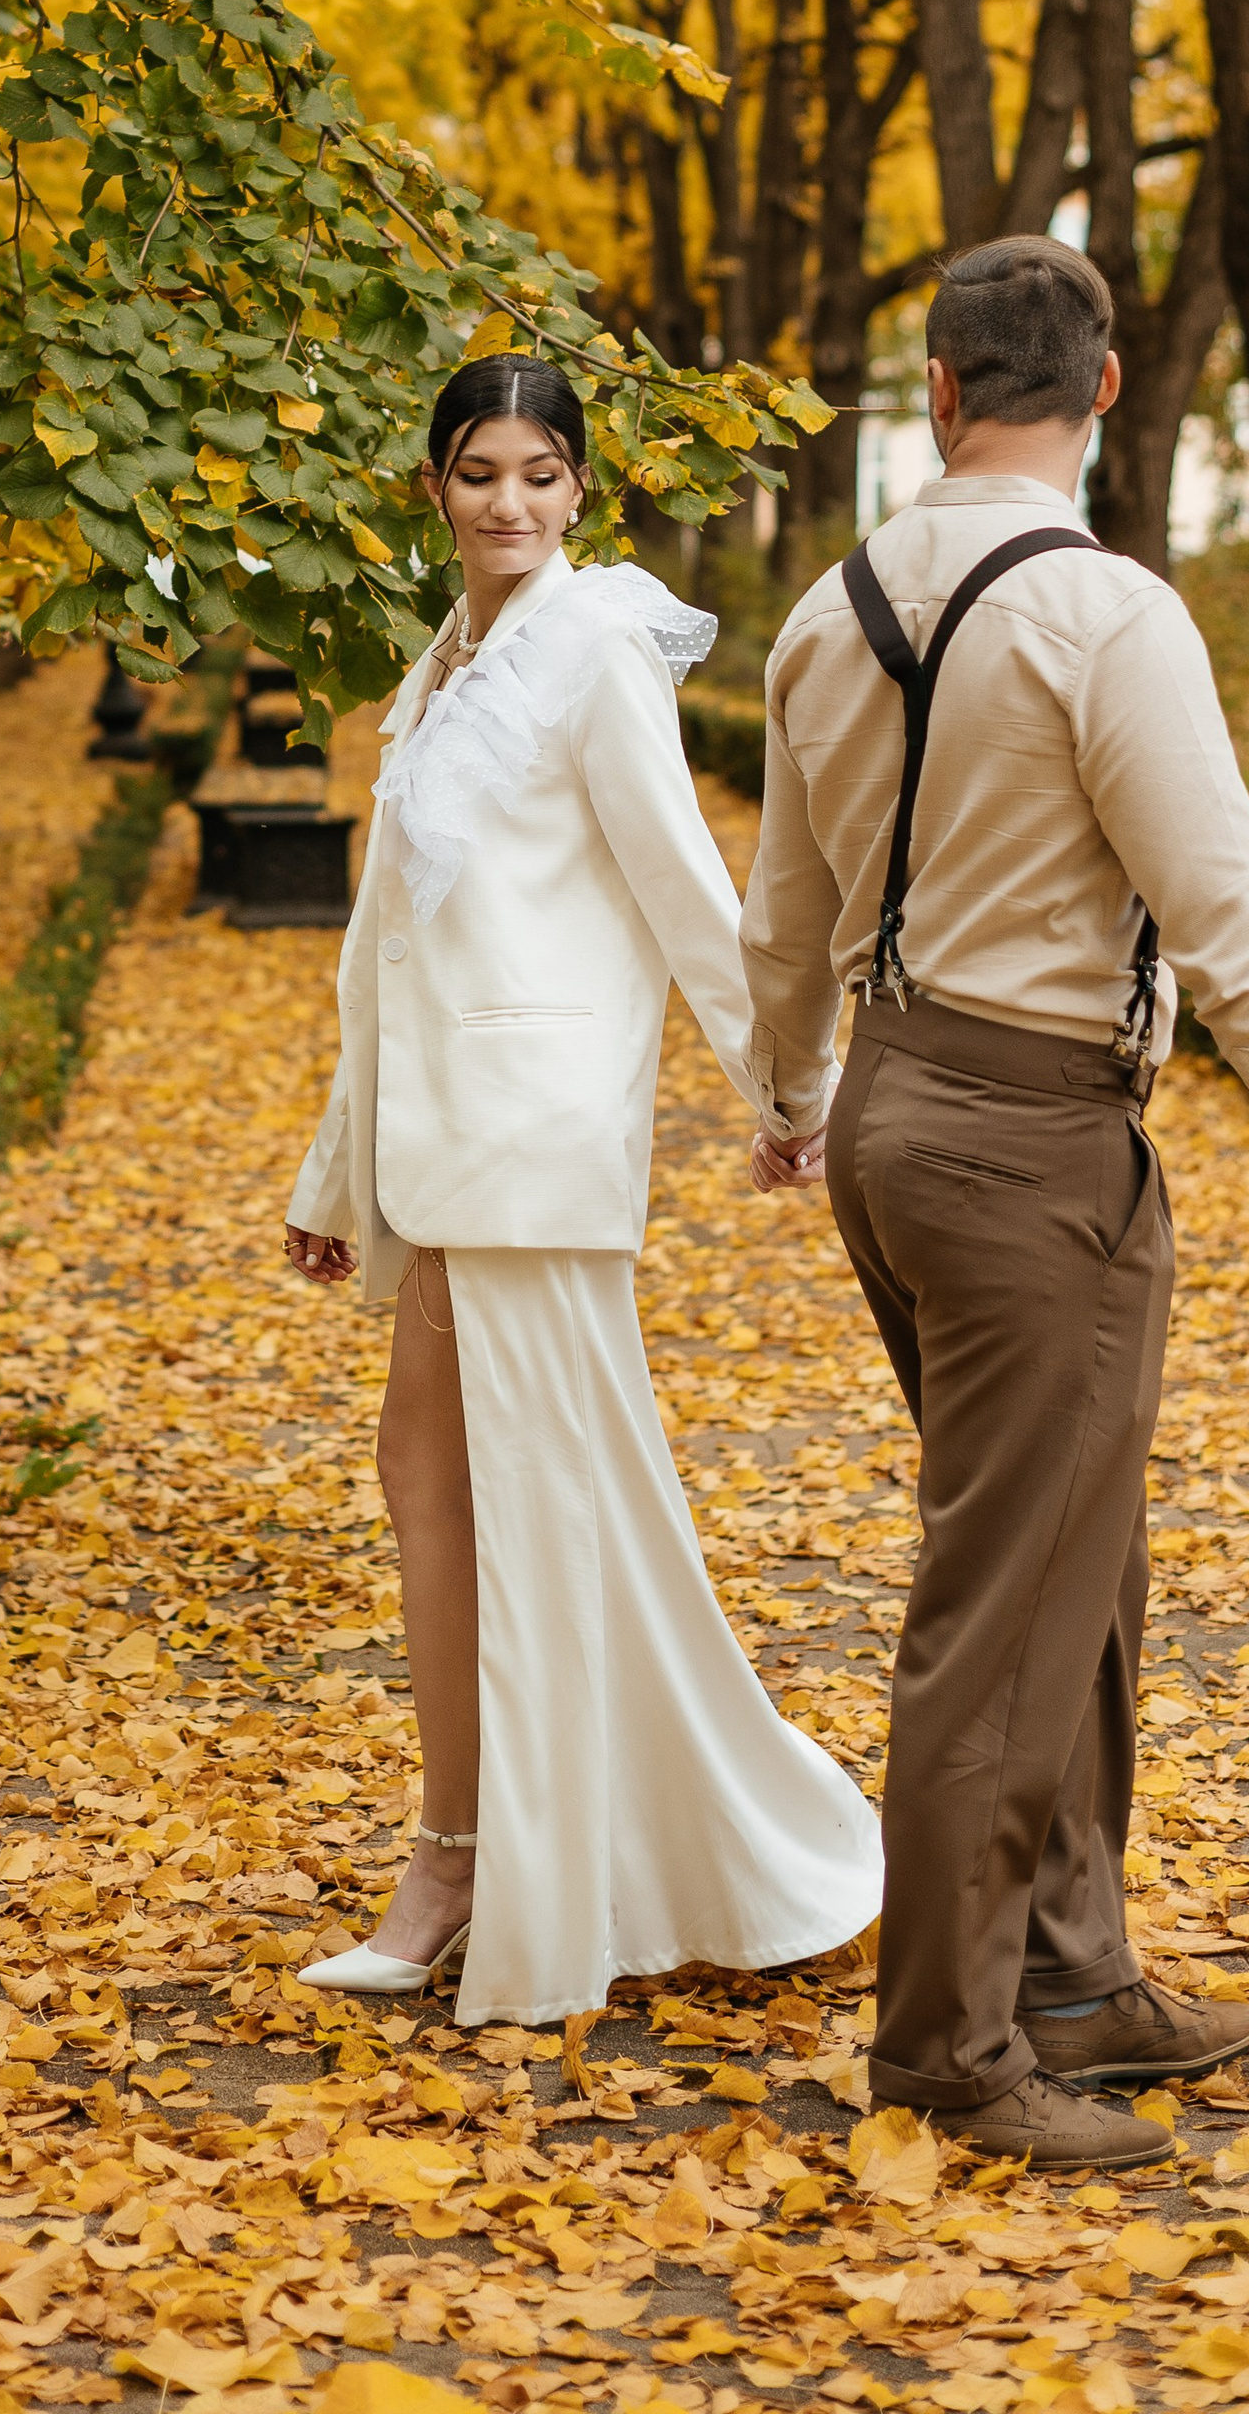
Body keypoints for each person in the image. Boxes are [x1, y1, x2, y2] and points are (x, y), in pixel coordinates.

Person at [741, 235, 1249, 2170]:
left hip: (900, 1115)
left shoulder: (824, 618)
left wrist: (797, 1096)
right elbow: (1234, 923)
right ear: (1110, 387)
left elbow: (788, 923)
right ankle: (948, 2051)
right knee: (1006, 1603)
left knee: (1075, 1568)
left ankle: (1073, 1968)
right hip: (1034, 1144)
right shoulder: (1106, 617)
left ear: (936, 389)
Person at [281, 354, 882, 2031]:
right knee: (436, 1485)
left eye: (544, 473)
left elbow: (694, 890)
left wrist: (788, 1086)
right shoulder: (447, 661)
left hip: (539, 1143)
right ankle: (470, 1857)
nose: (512, 503)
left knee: (537, 1510)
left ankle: (490, 1875)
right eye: (481, 471)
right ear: (435, 487)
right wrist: (341, 1168)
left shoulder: (597, 644)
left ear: (581, 490)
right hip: (447, 1148)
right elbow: (384, 951)